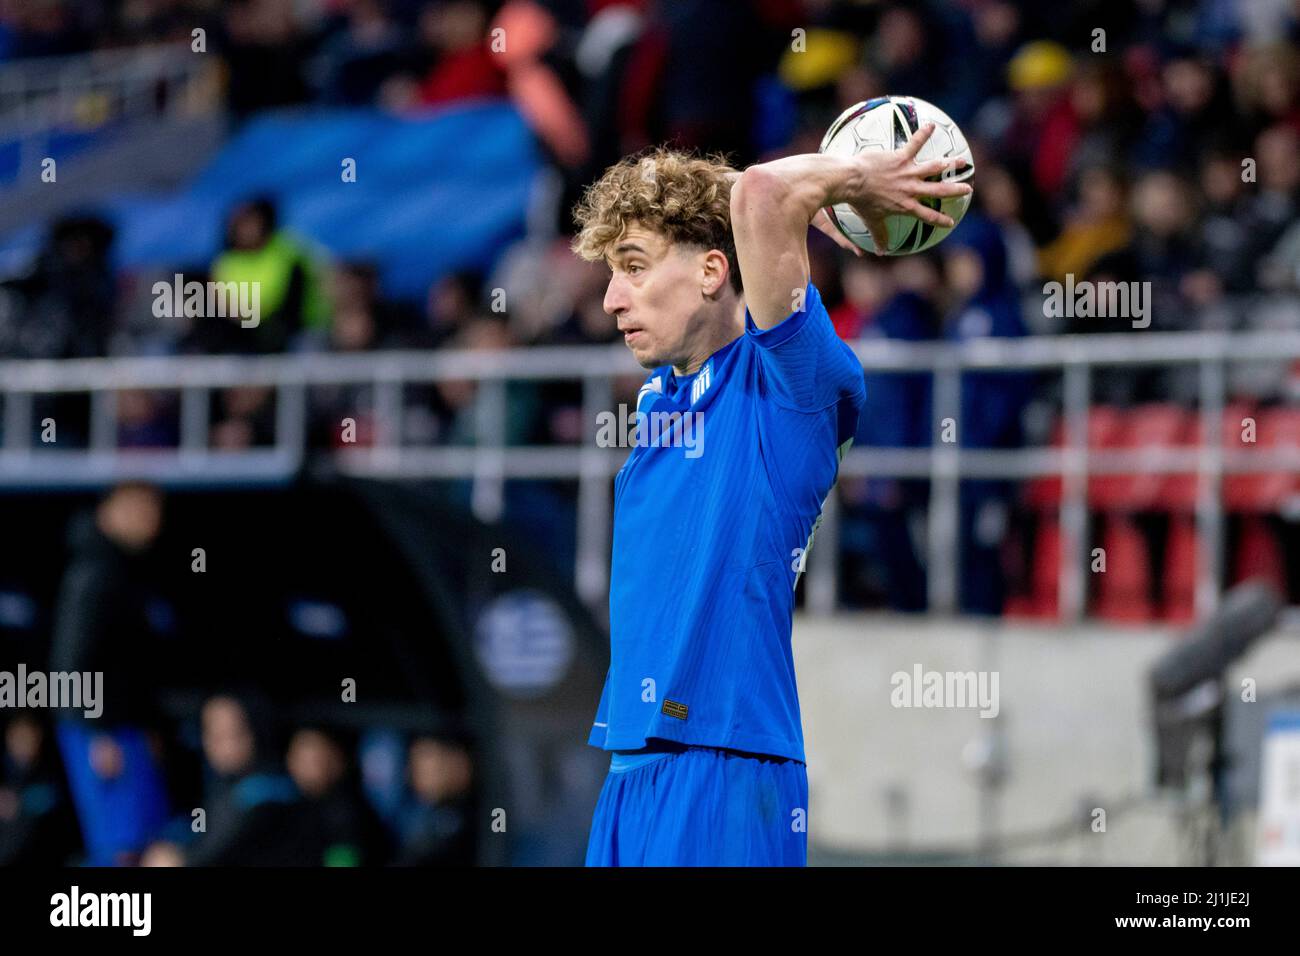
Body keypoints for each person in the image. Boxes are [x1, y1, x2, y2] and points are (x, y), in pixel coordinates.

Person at [569, 126, 969, 865]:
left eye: (633, 266)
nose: (611, 297)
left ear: (714, 271)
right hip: (632, 768)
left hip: (722, 765)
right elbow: (750, 201)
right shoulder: (665, 397)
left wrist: (850, 182)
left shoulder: (795, 391)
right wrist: (718, 199)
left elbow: (760, 192)